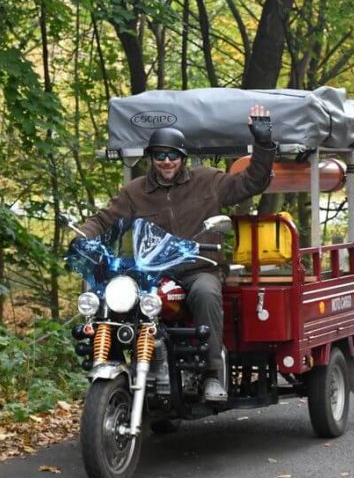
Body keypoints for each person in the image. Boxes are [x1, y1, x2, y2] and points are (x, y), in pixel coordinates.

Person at [78, 104, 276, 401]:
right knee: (115, 298)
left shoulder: (208, 181)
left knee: (207, 294)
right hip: (154, 273)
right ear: (151, 158)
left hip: (199, 268)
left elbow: (252, 182)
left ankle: (211, 374)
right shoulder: (135, 191)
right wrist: (83, 238)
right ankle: (114, 370)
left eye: (173, 155)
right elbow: (105, 219)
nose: (166, 161)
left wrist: (263, 143)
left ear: (183, 157)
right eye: (160, 155)